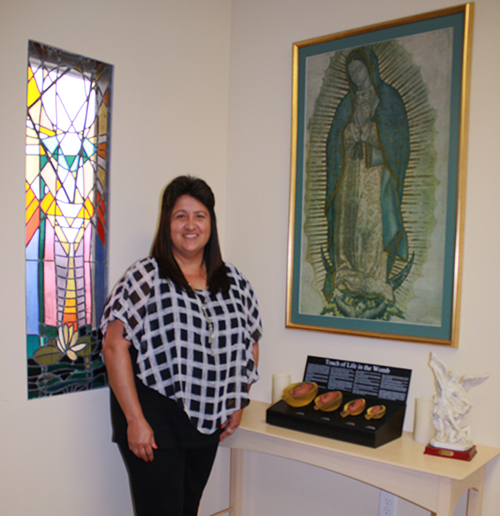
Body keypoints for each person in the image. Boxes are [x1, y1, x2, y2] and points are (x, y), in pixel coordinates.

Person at [100, 176, 262, 516]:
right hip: (153, 420)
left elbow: (249, 341)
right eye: (180, 216)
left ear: (211, 223)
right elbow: (115, 346)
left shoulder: (234, 282)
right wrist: (135, 420)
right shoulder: (146, 275)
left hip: (207, 420)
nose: (191, 225)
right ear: (167, 224)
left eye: (199, 215)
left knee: (188, 509)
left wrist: (238, 399)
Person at [322, 47, 410, 319]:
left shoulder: (389, 100)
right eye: (351, 73)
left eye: (359, 70)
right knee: (348, 223)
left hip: (375, 175)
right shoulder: (346, 104)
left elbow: (398, 144)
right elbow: (334, 143)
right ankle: (346, 272)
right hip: (350, 174)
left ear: (370, 68)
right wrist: (351, 134)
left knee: (372, 224)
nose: (355, 76)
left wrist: (371, 138)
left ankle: (374, 276)